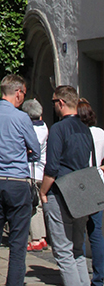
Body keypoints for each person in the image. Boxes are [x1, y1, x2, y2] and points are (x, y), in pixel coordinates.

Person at [0, 75, 40, 286]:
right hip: (17, 182)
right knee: (17, 243)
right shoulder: (21, 118)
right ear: (18, 92)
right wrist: (24, 155)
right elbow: (36, 150)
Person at [41, 86, 93, 286]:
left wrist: (43, 192)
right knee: (77, 249)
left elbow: (52, 166)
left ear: (61, 103)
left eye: (53, 101)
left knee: (63, 251)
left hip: (60, 191)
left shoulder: (58, 128)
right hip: (81, 191)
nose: (53, 105)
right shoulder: (85, 129)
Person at [79, 98, 104, 286]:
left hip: (79, 182)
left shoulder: (76, 133)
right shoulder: (101, 133)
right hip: (97, 181)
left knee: (78, 232)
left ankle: (79, 276)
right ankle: (99, 277)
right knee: (96, 232)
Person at [23, 99, 49, 252]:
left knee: (31, 206)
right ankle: (42, 237)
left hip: (32, 171)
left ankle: (36, 239)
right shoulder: (44, 127)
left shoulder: (31, 130)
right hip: (42, 171)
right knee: (38, 205)